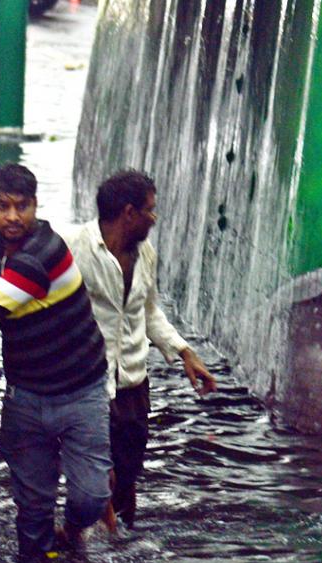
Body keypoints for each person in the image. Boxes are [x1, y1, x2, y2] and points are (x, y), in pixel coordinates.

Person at [0, 163, 112, 563]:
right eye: (2, 207)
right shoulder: (10, 249)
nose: (13, 217)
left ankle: (75, 531)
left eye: (22, 207)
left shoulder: (40, 255)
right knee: (32, 511)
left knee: (90, 497)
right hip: (26, 397)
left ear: (36, 206)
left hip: (81, 393)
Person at [68, 169, 217, 528]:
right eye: (150, 211)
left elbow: (148, 311)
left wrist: (185, 353)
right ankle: (85, 545)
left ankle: (116, 545)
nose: (154, 219)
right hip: (88, 382)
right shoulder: (75, 247)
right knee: (97, 475)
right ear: (128, 213)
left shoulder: (145, 253)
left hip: (134, 384)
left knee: (128, 474)